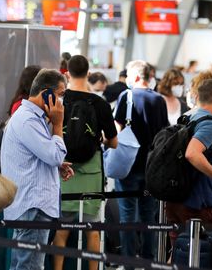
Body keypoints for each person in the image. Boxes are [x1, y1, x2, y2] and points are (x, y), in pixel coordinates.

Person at [1, 69, 73, 270]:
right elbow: (55, 154)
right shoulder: (28, 120)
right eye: (60, 94)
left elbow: (40, 157)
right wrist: (58, 125)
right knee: (30, 266)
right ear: (46, 94)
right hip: (33, 207)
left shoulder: (31, 118)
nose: (62, 101)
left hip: (30, 206)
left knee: (23, 264)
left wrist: (55, 166)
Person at [53, 55, 118, 270]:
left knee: (62, 229)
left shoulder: (59, 101)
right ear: (88, 73)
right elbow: (113, 142)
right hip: (91, 171)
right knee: (92, 229)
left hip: (63, 169)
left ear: (67, 73)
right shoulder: (99, 103)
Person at [166, 78, 212, 249]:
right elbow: (192, 154)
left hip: (176, 198)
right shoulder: (210, 124)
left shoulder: (186, 118)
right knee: (202, 255)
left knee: (178, 254)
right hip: (198, 204)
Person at [114, 60, 169, 266]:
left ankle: (128, 261)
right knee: (149, 216)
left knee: (127, 215)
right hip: (151, 170)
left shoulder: (125, 97)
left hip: (128, 168)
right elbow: (164, 133)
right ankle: (148, 260)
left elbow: (117, 129)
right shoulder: (159, 100)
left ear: (136, 77)